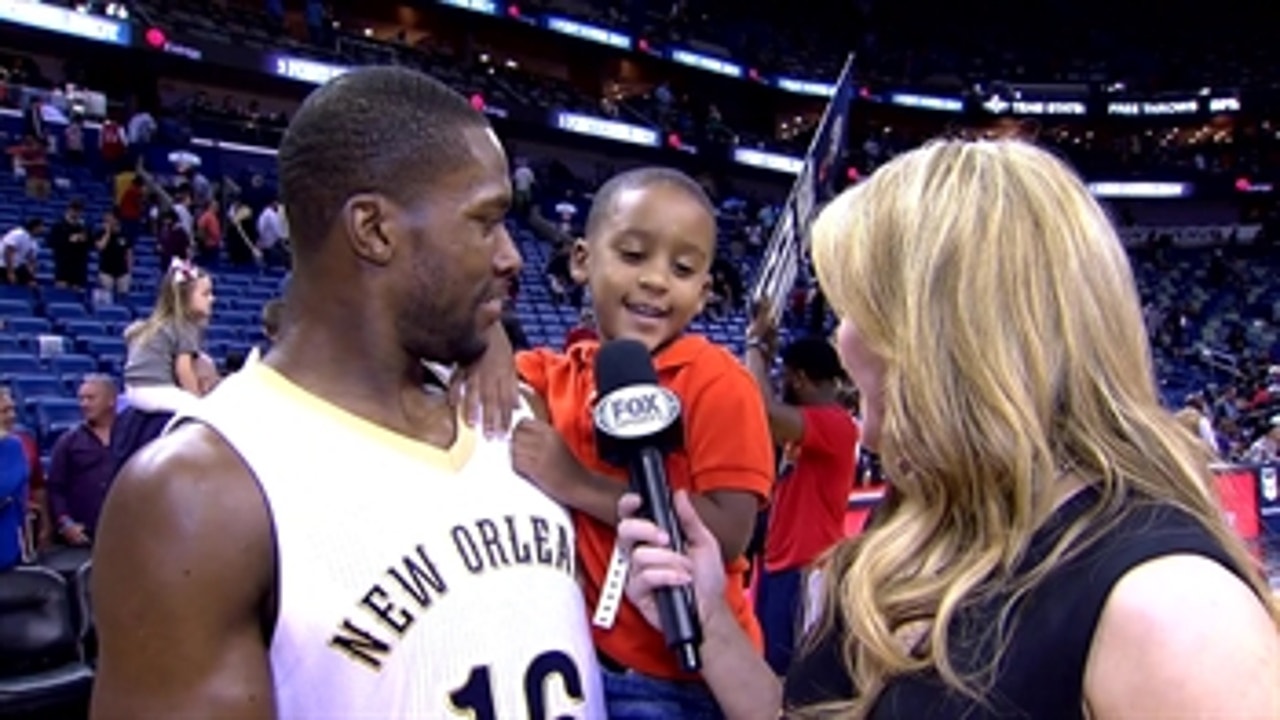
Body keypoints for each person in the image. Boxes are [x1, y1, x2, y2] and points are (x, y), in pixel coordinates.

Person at [618, 139, 1280, 719]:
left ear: (937, 337)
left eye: (853, 308)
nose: (839, 336)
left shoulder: (1175, 613)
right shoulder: (912, 535)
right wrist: (710, 621)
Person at [91, 66, 605, 720]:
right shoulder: (201, 491)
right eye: (485, 221)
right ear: (373, 229)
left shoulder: (511, 415)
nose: (512, 256)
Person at [503, 167, 774, 718]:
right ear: (581, 259)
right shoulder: (552, 372)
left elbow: (726, 535)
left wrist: (578, 484)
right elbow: (487, 355)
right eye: (632, 255)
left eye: (682, 268)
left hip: (685, 677)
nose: (655, 280)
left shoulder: (718, 380)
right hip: (584, 660)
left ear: (703, 294)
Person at [741, 314, 858, 677]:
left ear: (800, 378)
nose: (780, 384)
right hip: (783, 565)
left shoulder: (834, 423)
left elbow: (762, 412)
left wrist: (756, 350)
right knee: (771, 667)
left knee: (792, 677)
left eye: (785, 378)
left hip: (807, 568)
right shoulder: (814, 424)